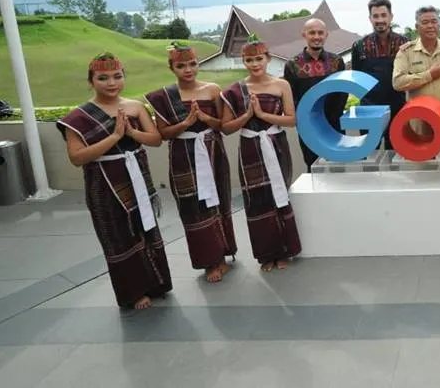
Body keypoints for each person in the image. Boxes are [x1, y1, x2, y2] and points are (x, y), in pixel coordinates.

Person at [57, 53, 171, 310]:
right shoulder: (77, 118)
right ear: (91, 81)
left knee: (145, 228)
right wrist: (115, 136)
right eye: (103, 78)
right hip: (104, 185)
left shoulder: (135, 107)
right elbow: (77, 158)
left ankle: (157, 283)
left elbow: (155, 140)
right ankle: (133, 292)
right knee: (117, 236)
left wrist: (131, 132)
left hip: (138, 179)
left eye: (117, 76)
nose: (111, 83)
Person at [144, 41, 237, 284]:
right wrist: (186, 124)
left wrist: (205, 118)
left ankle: (223, 257)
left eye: (193, 64)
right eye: (181, 65)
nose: (188, 69)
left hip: (212, 151)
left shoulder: (212, 90)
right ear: (171, 68)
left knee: (219, 201)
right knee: (193, 207)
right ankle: (208, 261)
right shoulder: (163, 96)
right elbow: (162, 133)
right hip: (182, 156)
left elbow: (223, 126)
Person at [221, 35, 302, 272]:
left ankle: (285, 250)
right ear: (243, 62)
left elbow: (291, 119)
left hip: (276, 144)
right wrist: (247, 116)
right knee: (257, 200)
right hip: (250, 148)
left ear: (267, 59)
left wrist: (263, 115)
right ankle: (266, 254)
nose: (255, 64)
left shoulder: (281, 85)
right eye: (249, 60)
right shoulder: (235, 90)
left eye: (259, 59)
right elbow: (226, 128)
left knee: (280, 192)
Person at [392, 6, 440, 143]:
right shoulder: (406, 52)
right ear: (417, 26)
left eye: (434, 21)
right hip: (419, 127)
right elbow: (398, 82)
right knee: (422, 163)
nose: (430, 26)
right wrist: (428, 75)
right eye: (425, 23)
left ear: (439, 24)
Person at [282, 18, 347, 168]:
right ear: (304, 34)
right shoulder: (293, 65)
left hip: (333, 124)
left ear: (326, 34)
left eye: (320, 33)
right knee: (313, 166)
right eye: (312, 32)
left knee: (338, 165)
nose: (316, 37)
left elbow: (342, 93)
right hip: (308, 126)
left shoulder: (336, 61)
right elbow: (292, 97)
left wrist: (332, 117)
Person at [350, 0, 409, 149]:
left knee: (396, 154)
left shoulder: (404, 44)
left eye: (383, 15)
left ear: (391, 17)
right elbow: (357, 77)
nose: (380, 20)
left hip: (397, 107)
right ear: (370, 18)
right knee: (369, 155)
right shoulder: (359, 46)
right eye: (375, 16)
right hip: (368, 109)